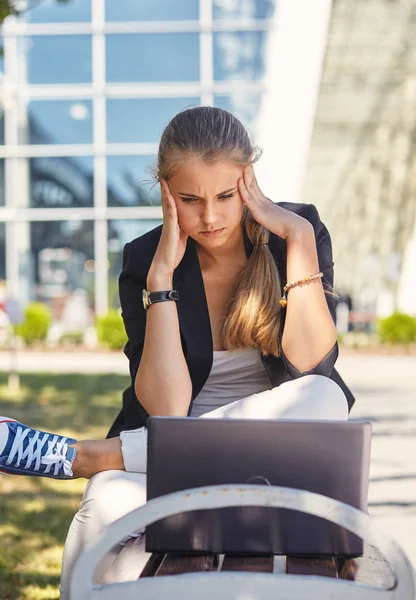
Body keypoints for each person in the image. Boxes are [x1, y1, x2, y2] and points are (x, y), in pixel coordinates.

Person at [0, 106, 355, 597]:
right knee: (104, 502)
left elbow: (311, 361)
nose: (210, 216)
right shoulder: (146, 260)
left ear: (249, 178)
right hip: (169, 461)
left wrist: (294, 236)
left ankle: (86, 455)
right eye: (190, 199)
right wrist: (161, 282)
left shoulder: (297, 232)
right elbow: (166, 409)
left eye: (226, 195)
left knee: (322, 395)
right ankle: (101, 470)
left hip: (273, 461)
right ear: (164, 191)